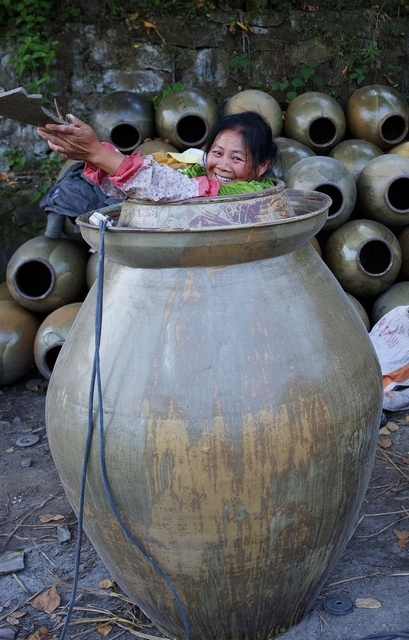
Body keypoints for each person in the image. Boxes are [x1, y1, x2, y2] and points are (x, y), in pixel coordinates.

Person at [37, 111, 280, 204]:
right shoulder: (196, 173)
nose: (222, 166)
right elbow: (152, 186)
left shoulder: (249, 193)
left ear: (261, 166)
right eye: (217, 153)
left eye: (236, 159)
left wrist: (96, 153)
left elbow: (174, 189)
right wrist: (96, 158)